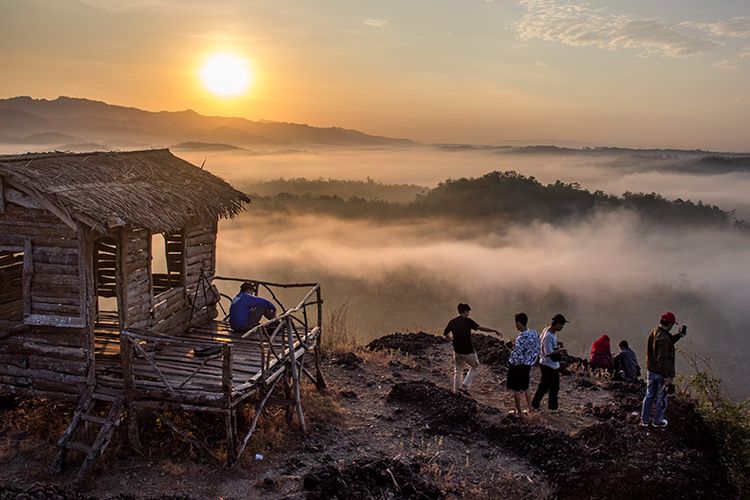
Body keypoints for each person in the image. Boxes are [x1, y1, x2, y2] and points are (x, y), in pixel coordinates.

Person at [443, 303, 502, 395]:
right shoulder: (468, 321)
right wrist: (494, 330)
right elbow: (480, 328)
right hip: (467, 350)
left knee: (458, 370)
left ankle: (456, 391)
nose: (469, 313)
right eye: (468, 311)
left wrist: (452, 341)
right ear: (465, 311)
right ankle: (464, 386)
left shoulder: (452, 321)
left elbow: (445, 333)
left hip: (456, 350)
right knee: (476, 366)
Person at [641, 311, 686, 428]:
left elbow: (667, 343)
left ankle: (644, 420)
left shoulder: (655, 332)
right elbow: (662, 358)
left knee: (649, 395)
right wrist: (667, 377)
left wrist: (678, 336)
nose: (672, 327)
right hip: (662, 374)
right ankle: (657, 421)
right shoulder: (664, 338)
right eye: (672, 324)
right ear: (670, 323)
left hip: (651, 371)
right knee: (662, 397)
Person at [532, 313, 568, 413]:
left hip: (548, 364)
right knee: (549, 387)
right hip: (549, 364)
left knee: (549, 386)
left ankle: (539, 405)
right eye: (562, 325)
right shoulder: (549, 336)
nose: (562, 327)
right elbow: (548, 353)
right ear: (557, 324)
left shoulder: (546, 330)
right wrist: (560, 351)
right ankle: (550, 408)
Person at [507, 312, 539, 416]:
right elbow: (536, 348)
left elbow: (517, 356)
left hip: (518, 366)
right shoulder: (533, 333)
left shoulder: (520, 338)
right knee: (526, 387)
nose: (515, 325)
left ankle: (519, 412)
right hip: (528, 365)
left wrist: (510, 348)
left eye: (516, 323)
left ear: (519, 323)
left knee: (516, 389)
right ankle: (530, 409)